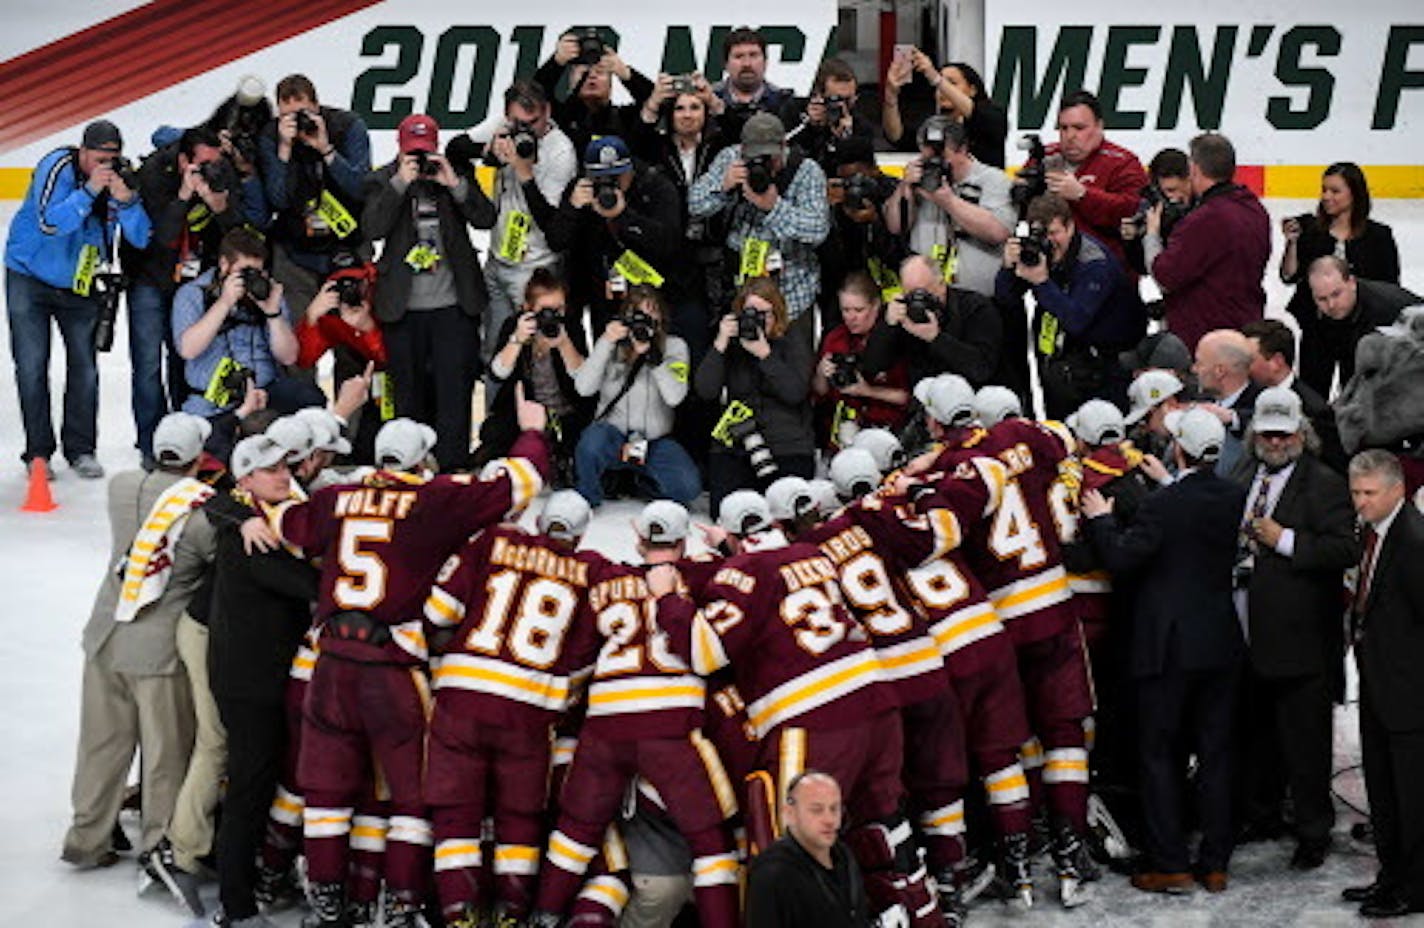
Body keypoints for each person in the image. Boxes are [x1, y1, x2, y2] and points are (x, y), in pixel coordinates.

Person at [254, 408, 550, 927]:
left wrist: (257, 514)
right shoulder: (432, 500)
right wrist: (532, 432)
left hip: (331, 667)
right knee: (412, 793)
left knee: (325, 789)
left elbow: (288, 524)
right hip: (393, 669)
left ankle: (325, 897)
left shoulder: (335, 496)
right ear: (421, 461)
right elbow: (520, 482)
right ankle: (403, 898)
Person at [1082, 407, 1246, 894]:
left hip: (1167, 647)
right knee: (1217, 753)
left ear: (1179, 449)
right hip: (1220, 641)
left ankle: (1171, 863)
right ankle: (1215, 863)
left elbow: (1121, 557)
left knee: (1159, 755)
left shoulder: (1163, 504)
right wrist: (1168, 483)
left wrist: (1101, 522)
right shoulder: (1233, 495)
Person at [422, 492, 604, 926]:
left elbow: (439, 609)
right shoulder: (589, 570)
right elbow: (581, 658)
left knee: (456, 814)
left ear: (540, 521)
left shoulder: (491, 542)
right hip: (529, 709)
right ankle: (512, 911)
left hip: (462, 695)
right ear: (578, 535)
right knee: (519, 818)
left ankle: (457, 911)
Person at [61, 413, 210, 874]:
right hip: (159, 653)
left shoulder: (120, 488)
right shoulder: (203, 517)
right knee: (166, 754)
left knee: (101, 745)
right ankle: (157, 844)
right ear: (199, 459)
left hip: (105, 638)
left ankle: (87, 835)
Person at [1232, 388, 1356, 870]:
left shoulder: (1325, 484)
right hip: (1249, 633)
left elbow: (1343, 550)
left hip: (1302, 641)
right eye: (1268, 433)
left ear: (1301, 433)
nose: (1276, 441)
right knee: (1258, 737)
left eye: (1284, 433)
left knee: (1306, 743)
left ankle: (1313, 830)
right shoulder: (1245, 474)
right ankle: (1262, 815)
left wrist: (1283, 540)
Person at [206, 432, 320, 928]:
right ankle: (236, 904)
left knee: (264, 781)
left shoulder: (262, 516)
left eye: (285, 467)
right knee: (250, 787)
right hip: (250, 685)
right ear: (247, 478)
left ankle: (251, 874)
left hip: (267, 678)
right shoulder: (245, 533)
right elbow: (306, 586)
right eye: (271, 469)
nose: (284, 474)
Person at [6, 118, 153, 478]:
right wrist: (89, 192)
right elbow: (50, 223)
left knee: (85, 368)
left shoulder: (119, 177)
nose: (105, 166)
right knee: (31, 365)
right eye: (98, 158)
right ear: (83, 152)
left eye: (111, 158)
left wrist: (128, 201)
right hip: (29, 276)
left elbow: (141, 237)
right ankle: (37, 453)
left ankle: (81, 449)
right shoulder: (55, 167)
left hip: (80, 285)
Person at [362, 113, 494, 471]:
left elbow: (485, 218)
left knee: (455, 393)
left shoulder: (453, 173)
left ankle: (451, 469)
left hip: (454, 306)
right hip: (403, 309)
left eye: (424, 152)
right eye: (412, 153)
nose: (419, 161)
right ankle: (409, 469)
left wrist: (454, 183)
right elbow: (372, 228)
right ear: (399, 148)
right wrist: (400, 184)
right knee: (408, 393)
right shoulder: (382, 180)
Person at [122, 126, 259, 466]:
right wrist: (184, 196)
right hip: (150, 276)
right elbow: (157, 240)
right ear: (184, 161)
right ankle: (151, 443)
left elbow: (239, 234)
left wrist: (219, 205)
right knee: (147, 364)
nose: (212, 169)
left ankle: (189, 435)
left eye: (216, 162)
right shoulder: (153, 173)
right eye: (203, 164)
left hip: (193, 280)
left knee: (187, 359)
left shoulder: (220, 169)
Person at [1342, 450, 1424, 918]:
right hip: (1378, 685)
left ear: (1397, 490)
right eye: (1355, 493)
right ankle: (1392, 877)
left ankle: (1414, 887)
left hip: (1409, 694)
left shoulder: (1413, 541)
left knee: (1412, 800)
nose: (1360, 502)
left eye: (1369, 494)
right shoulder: (1374, 531)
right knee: (1385, 795)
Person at [996, 192, 1146, 418]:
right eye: (1041, 233)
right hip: (1059, 363)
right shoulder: (1037, 251)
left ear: (1070, 227)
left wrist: (1042, 282)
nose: (1049, 241)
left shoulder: (1094, 263)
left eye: (1054, 233)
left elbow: (1077, 319)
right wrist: (1008, 268)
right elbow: (1006, 299)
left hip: (1102, 367)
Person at [687, 112, 831, 343]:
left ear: (783, 146)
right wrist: (722, 188)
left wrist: (774, 208)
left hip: (791, 294)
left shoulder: (807, 171)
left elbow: (818, 230)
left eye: (769, 157)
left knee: (792, 373)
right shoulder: (730, 159)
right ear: (742, 149)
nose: (762, 164)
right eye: (754, 157)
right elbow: (695, 204)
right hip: (742, 292)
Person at [171, 227, 324, 432]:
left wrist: (273, 314)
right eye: (245, 272)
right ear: (224, 265)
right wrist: (224, 303)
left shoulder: (266, 294)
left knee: (311, 399)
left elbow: (288, 357)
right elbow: (188, 349)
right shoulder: (193, 294)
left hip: (264, 394)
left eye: (257, 272)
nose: (251, 279)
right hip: (213, 399)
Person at [694, 278, 815, 517]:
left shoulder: (792, 340)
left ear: (777, 314)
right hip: (739, 441)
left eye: (765, 314)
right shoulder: (732, 344)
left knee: (788, 512)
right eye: (751, 313)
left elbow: (795, 392)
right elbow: (705, 391)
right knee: (727, 514)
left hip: (785, 444)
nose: (758, 320)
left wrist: (765, 354)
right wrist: (720, 343)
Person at [258, 74, 373, 322]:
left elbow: (361, 189)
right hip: (296, 255)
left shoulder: (347, 126)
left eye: (304, 114)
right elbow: (277, 200)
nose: (298, 123)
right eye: (289, 116)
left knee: (354, 340)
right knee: (298, 341)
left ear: (317, 107)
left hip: (348, 246)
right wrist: (284, 150)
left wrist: (326, 149)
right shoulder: (271, 135)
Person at [482, 80, 579, 373]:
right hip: (497, 259)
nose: (525, 130)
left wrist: (525, 174)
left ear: (547, 111)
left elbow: (551, 224)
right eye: (517, 122)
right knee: (496, 352)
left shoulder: (560, 150)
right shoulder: (503, 128)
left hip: (536, 267)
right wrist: (488, 150)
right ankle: (495, 418)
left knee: (539, 351)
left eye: (532, 123)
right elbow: (455, 147)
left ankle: (539, 417)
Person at [1280, 163, 1401, 397]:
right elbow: (1289, 276)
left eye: (1335, 191)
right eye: (1324, 190)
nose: (1326, 197)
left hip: (1360, 332)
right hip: (1317, 328)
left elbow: (1389, 285)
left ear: (1354, 193)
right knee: (1312, 394)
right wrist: (1292, 243)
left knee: (1356, 395)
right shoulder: (1310, 230)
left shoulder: (1379, 235)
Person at [572, 286, 700, 506]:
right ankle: (590, 497)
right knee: (590, 446)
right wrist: (605, 341)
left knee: (688, 487)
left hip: (654, 441)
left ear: (660, 318)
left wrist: (654, 357)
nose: (643, 322)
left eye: (650, 314)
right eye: (637, 314)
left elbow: (675, 398)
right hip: (612, 434)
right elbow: (583, 388)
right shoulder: (613, 346)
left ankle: (639, 484)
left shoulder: (675, 347)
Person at [1145, 133, 1271, 353]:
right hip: (1246, 326)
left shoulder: (1206, 219)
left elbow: (1165, 276)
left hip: (1207, 339)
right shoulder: (1254, 208)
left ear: (1194, 169)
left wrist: (1151, 235)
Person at [545, 135, 682, 336]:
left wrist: (624, 217)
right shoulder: (581, 190)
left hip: (651, 289)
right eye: (599, 178)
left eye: (617, 177)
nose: (608, 184)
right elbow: (556, 241)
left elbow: (669, 243)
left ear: (630, 170)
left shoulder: (655, 186)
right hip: (600, 290)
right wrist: (572, 209)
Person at [886, 116, 1014, 298]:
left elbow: (998, 232)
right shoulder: (920, 180)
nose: (936, 164)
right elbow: (895, 226)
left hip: (979, 300)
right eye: (928, 156)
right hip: (928, 296)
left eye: (942, 156)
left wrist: (948, 201)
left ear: (963, 149)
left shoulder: (993, 180)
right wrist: (904, 187)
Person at [478, 269, 590, 477]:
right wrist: (517, 340)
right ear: (528, 309)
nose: (553, 317)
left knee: (581, 444)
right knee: (494, 434)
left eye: (559, 310)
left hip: (565, 410)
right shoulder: (515, 326)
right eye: (546, 311)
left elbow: (584, 380)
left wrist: (565, 345)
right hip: (526, 411)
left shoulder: (570, 327)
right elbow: (497, 374)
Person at [1032, 90, 1145, 266]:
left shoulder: (1123, 162)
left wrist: (1084, 195)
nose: (1070, 136)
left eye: (1079, 128)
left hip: (1107, 270)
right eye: (1063, 128)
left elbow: (1133, 211)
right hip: (1050, 270)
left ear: (1099, 126)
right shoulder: (1044, 158)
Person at [744, 771, 871, 927]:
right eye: (817, 810)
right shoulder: (771, 873)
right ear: (789, 814)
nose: (829, 820)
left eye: (834, 809)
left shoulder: (845, 856)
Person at [859, 254, 1002, 389]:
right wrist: (888, 326)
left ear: (941, 284)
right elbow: (872, 367)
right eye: (911, 294)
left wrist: (936, 338)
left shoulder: (975, 307)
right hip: (925, 401)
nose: (917, 302)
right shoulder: (902, 312)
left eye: (922, 293)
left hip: (976, 398)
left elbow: (982, 369)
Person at [812, 272, 910, 450]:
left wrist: (868, 391)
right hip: (843, 432)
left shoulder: (895, 338)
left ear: (876, 306)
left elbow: (909, 398)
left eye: (858, 310)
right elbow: (820, 393)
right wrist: (821, 372)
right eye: (845, 310)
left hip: (889, 433)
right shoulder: (835, 338)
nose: (851, 317)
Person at [1240, 318, 1346, 472]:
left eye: (1249, 360)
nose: (1243, 367)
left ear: (1276, 361)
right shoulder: (1250, 397)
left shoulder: (1314, 410)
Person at [1305, 255, 1420, 392]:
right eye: (1321, 299)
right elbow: (1313, 379)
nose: (1331, 305)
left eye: (1336, 294)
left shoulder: (1389, 309)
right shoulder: (1314, 315)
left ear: (1352, 283)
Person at [534, 30, 656, 156]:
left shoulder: (625, 119)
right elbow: (535, 96)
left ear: (611, 83)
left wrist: (626, 74)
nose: (592, 76)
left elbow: (656, 102)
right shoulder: (559, 117)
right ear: (570, 82)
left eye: (600, 71)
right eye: (584, 72)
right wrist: (556, 62)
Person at [883, 51, 1007, 168]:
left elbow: (979, 115)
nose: (942, 90)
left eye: (952, 83)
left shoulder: (993, 117)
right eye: (938, 86)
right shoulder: (934, 126)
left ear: (972, 90)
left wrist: (936, 78)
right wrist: (890, 96)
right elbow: (897, 137)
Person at [779, 57, 876, 171]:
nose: (842, 106)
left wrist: (844, 139)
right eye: (836, 99)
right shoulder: (794, 113)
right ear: (818, 96)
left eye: (848, 100)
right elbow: (782, 149)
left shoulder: (862, 127)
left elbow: (865, 166)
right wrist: (810, 127)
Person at [1190, 329, 1262, 477]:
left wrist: (1231, 418)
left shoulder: (1261, 404)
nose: (1194, 369)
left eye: (1199, 363)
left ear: (1220, 371)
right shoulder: (1200, 400)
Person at [708, 26, 794, 139]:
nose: (747, 64)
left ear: (765, 62)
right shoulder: (709, 99)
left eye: (753, 55)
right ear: (726, 64)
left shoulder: (783, 103)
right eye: (738, 56)